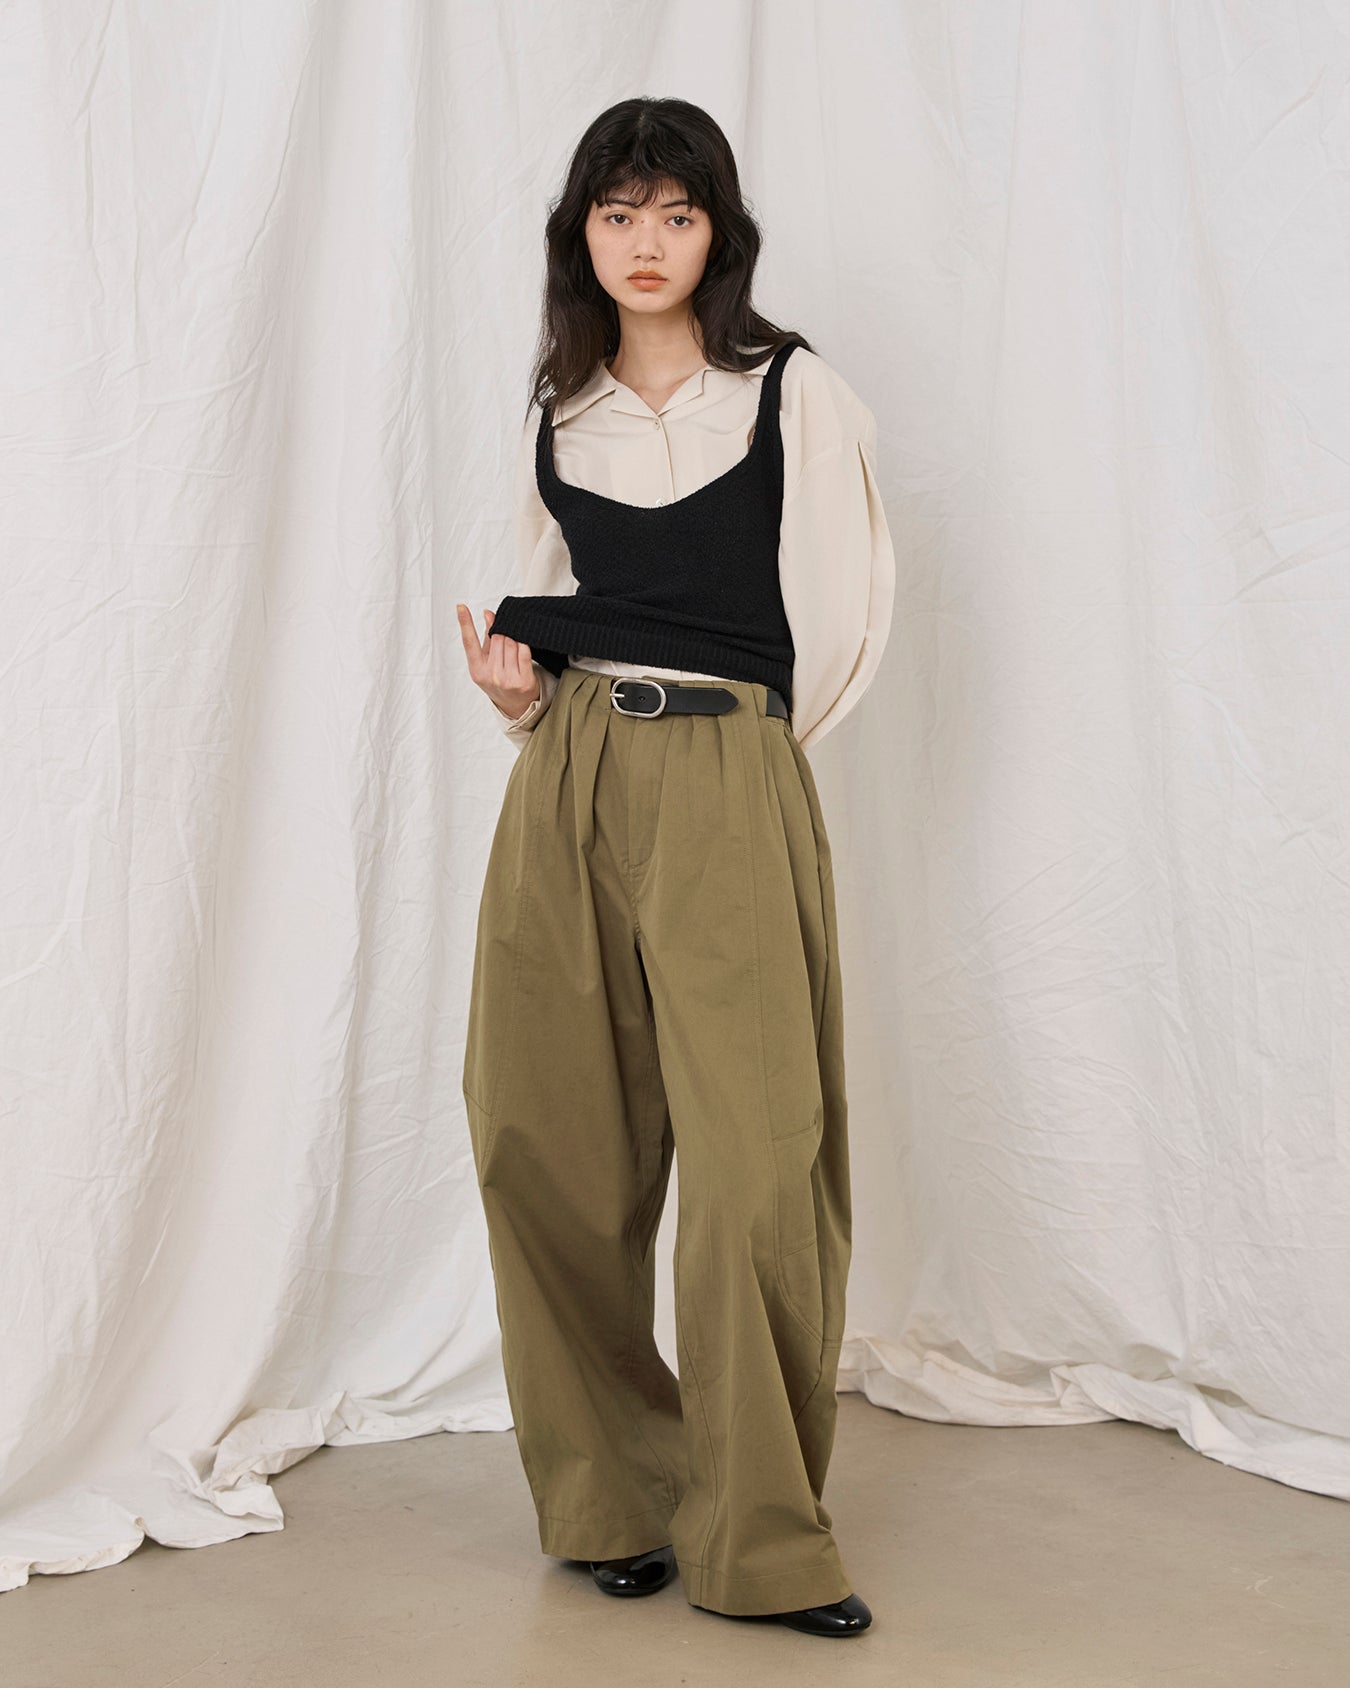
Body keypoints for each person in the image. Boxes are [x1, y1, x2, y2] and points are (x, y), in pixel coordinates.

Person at [455, 97, 894, 1640]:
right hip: (568, 770)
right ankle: (609, 1498)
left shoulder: (791, 393)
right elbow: (544, 596)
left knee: (758, 1168)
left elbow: (836, 622)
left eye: (677, 213)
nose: (646, 242)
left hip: (726, 770)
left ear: (719, 233)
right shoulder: (556, 411)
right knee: (545, 1137)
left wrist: (736, 761)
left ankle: (760, 1534)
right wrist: (521, 703)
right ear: (581, 235)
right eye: (618, 213)